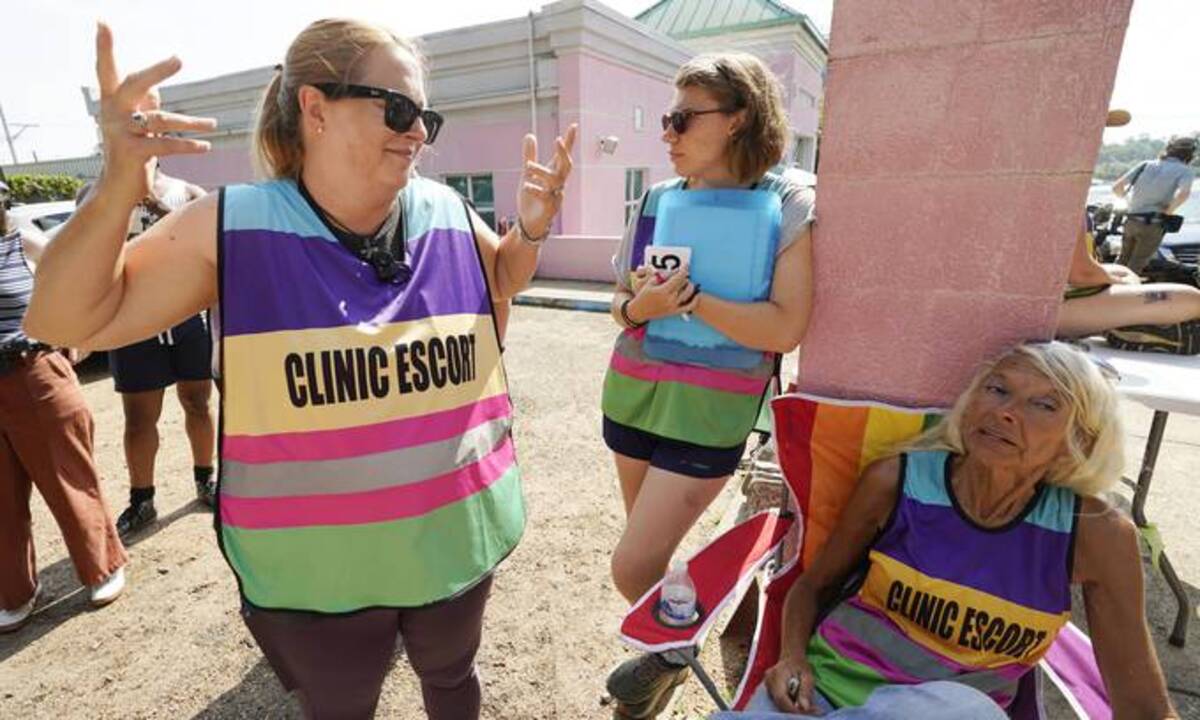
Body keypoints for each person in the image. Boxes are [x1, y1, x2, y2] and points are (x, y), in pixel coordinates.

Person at [26, 20, 575, 719]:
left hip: (452, 543)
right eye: (398, 109)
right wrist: (115, 186)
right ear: (315, 108)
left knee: (451, 677)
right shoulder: (234, 227)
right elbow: (67, 321)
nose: (418, 134)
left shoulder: (445, 208)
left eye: (425, 117)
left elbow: (500, 274)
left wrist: (529, 227)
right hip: (316, 577)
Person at [715, 342, 1177, 719]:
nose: (1007, 412)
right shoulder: (898, 481)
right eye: (997, 390)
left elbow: (1142, 705)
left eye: (1044, 404)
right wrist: (792, 657)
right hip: (826, 694)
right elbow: (813, 584)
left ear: (1079, 443)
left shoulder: (1094, 535)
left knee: (964, 708)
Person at [602, 52, 814, 718]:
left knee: (632, 568)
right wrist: (643, 308)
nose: (667, 132)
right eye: (669, 118)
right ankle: (677, 644)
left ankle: (668, 656)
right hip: (632, 394)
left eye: (682, 118)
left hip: (710, 413)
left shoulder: (789, 199)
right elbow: (620, 303)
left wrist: (690, 299)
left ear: (739, 118)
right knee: (648, 557)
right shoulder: (657, 198)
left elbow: (784, 329)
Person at [77, 102, 216, 538]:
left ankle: (205, 478)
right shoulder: (93, 193)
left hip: (186, 317)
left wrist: (153, 203)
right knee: (139, 418)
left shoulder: (186, 191)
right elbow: (87, 254)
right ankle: (142, 498)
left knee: (198, 403)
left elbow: (201, 245)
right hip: (133, 323)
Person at [0, 178, 127, 633]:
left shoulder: (19, 241)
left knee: (68, 476)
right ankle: (14, 591)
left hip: (32, 372)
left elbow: (75, 271)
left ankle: (102, 567)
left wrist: (77, 331)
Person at [1057, 220, 1200, 350]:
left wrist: (1115, 280)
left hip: (1051, 294)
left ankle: (1125, 319)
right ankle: (1120, 322)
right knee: (1194, 299)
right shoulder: (1063, 195)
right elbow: (1082, 274)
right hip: (1046, 313)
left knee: (1123, 272)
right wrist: (1116, 282)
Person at [1112, 135, 1196, 272]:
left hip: (1131, 220)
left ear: (1168, 149)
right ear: (1190, 154)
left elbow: (1116, 187)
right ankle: (1126, 292)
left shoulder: (1145, 164)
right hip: (1152, 224)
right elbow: (1183, 194)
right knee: (1136, 266)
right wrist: (1169, 211)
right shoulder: (1184, 171)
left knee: (1121, 260)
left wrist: (1129, 204)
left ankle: (1108, 289)